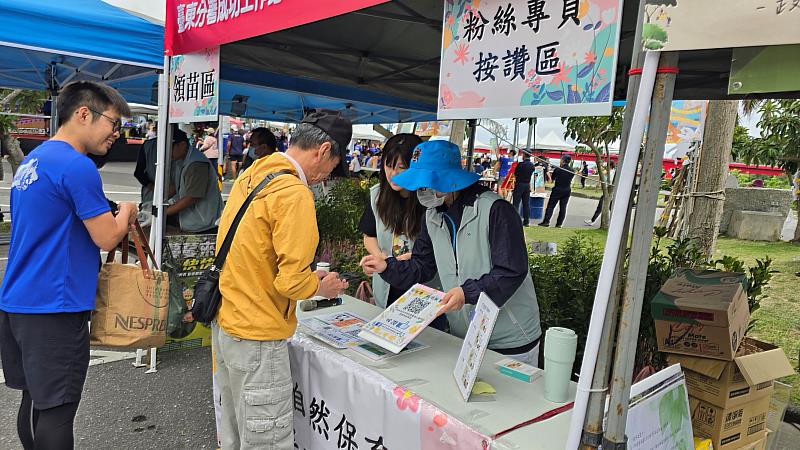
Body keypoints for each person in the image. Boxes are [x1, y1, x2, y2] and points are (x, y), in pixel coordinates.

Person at [0, 81, 138, 450]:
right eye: (113, 123)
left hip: (19, 301)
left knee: (35, 402)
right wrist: (126, 211)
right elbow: (108, 237)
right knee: (59, 409)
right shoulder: (77, 166)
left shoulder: (34, 161)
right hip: (55, 305)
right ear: (83, 114)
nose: (116, 134)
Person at [212, 109, 351, 450]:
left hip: (228, 321)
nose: (328, 174)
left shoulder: (254, 174)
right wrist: (321, 285)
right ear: (322, 152)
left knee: (233, 432)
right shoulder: (293, 193)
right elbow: (290, 283)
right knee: (266, 440)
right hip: (259, 333)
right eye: (333, 165)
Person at [360, 140, 542, 365]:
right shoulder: (433, 214)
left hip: (509, 339)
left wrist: (467, 293)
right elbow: (422, 265)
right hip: (464, 335)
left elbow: (511, 271)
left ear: (448, 180)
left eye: (426, 184)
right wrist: (387, 267)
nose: (421, 191)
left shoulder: (495, 210)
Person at [166, 128, 223, 233]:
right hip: (191, 220)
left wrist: (165, 212)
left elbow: (192, 197)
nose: (167, 152)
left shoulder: (197, 163)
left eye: (170, 147)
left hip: (203, 224)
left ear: (182, 145)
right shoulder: (180, 160)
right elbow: (177, 187)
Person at [539, 155, 575, 228]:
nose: (560, 161)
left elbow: (552, 180)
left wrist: (549, 175)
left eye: (561, 159)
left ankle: (546, 221)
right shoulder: (572, 171)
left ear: (563, 160)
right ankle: (559, 224)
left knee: (551, 206)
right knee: (563, 207)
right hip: (567, 190)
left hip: (557, 189)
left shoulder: (558, 169)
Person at [512, 153, 535, 226]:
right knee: (526, 204)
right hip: (527, 185)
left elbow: (515, 173)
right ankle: (526, 221)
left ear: (524, 156)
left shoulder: (521, 164)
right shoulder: (532, 165)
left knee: (516, 203)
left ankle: (515, 220)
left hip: (519, 184)